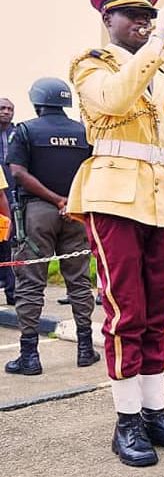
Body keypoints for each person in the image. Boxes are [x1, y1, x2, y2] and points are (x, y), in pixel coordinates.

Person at [67, 0, 164, 467]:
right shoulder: (91, 64)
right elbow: (116, 100)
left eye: (148, 15)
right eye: (132, 15)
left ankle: (155, 411)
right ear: (108, 21)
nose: (143, 23)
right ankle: (126, 421)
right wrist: (161, 39)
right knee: (125, 312)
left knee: (156, 316)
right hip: (113, 197)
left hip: (162, 203)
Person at [4, 78, 100, 376]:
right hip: (76, 213)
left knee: (31, 283)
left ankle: (29, 356)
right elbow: (93, 170)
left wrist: (54, 198)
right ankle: (85, 349)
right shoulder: (84, 132)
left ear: (37, 102)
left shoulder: (26, 130)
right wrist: (69, 200)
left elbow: (17, 172)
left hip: (37, 213)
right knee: (80, 281)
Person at [0, 97, 16, 305]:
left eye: (9, 109)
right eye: (2, 108)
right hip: (1, 193)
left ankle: (12, 293)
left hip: (11, 195)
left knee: (10, 243)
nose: (5, 112)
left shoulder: (17, 133)